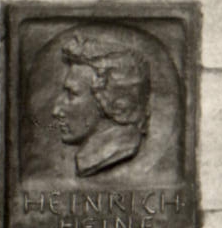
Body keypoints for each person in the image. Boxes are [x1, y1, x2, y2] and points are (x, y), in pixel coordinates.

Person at [51, 30, 152, 178]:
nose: (56, 110)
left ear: (109, 101)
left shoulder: (117, 151)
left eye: (72, 94)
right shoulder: (87, 156)